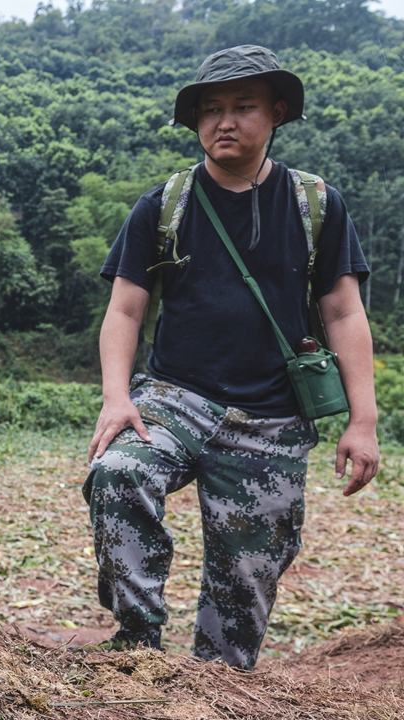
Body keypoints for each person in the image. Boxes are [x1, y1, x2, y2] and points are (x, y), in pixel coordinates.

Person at [82, 45, 379, 669]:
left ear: (276, 113)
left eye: (243, 107)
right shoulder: (165, 205)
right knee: (119, 473)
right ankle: (138, 644)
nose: (225, 121)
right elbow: (125, 310)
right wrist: (116, 398)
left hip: (271, 418)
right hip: (174, 399)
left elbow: (344, 312)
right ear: (194, 122)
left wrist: (363, 419)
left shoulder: (315, 204)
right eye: (211, 109)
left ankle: (212, 684)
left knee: (243, 594)